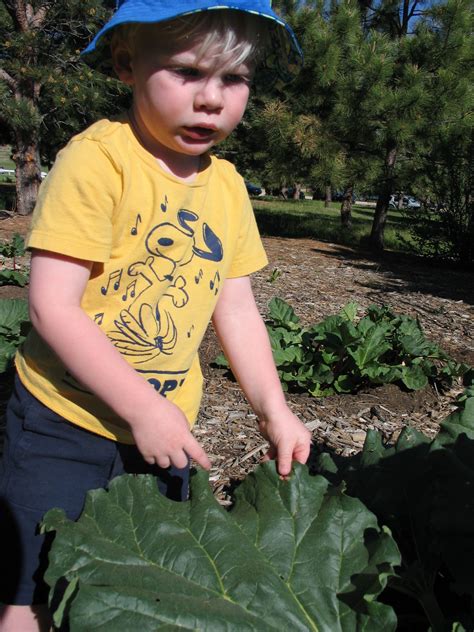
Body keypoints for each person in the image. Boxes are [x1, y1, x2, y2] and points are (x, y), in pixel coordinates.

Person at [0, 1, 312, 629]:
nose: (211, 99)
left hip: (166, 432)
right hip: (63, 422)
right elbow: (52, 307)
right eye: (187, 72)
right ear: (126, 65)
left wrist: (273, 409)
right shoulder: (99, 160)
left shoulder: (226, 188)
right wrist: (143, 407)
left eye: (234, 79)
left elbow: (238, 306)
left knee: (152, 592)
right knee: (29, 590)